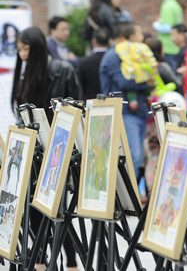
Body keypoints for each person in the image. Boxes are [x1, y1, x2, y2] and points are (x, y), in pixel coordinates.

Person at [11, 26, 81, 271]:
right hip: (35, 152)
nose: (22, 54)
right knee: (36, 209)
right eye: (19, 49)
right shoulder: (25, 74)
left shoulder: (62, 70)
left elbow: (75, 110)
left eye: (26, 48)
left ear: (38, 48)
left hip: (58, 150)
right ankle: (40, 261)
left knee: (60, 211)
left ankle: (71, 262)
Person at [100, 22, 155, 178]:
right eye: (138, 34)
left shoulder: (133, 56)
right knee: (133, 156)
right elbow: (124, 81)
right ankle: (128, 199)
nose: (141, 38)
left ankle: (132, 196)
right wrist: (147, 82)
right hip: (124, 112)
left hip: (138, 111)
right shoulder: (113, 56)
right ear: (126, 38)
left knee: (138, 157)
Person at [115, 23, 157, 113]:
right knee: (148, 84)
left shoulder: (121, 46)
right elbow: (149, 57)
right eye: (140, 33)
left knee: (131, 89)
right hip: (142, 71)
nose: (142, 36)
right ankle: (149, 97)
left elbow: (120, 54)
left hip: (130, 71)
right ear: (132, 36)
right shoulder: (142, 46)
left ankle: (133, 103)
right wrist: (154, 67)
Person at [153, 0, 184, 72]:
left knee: (171, 77)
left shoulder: (167, 6)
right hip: (175, 47)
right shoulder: (175, 4)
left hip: (168, 48)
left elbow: (167, 28)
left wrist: (155, 24)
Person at [78, 28, 111, 100]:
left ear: (93, 41)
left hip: (91, 104)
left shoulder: (83, 62)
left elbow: (80, 87)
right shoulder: (113, 61)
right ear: (109, 42)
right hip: (112, 103)